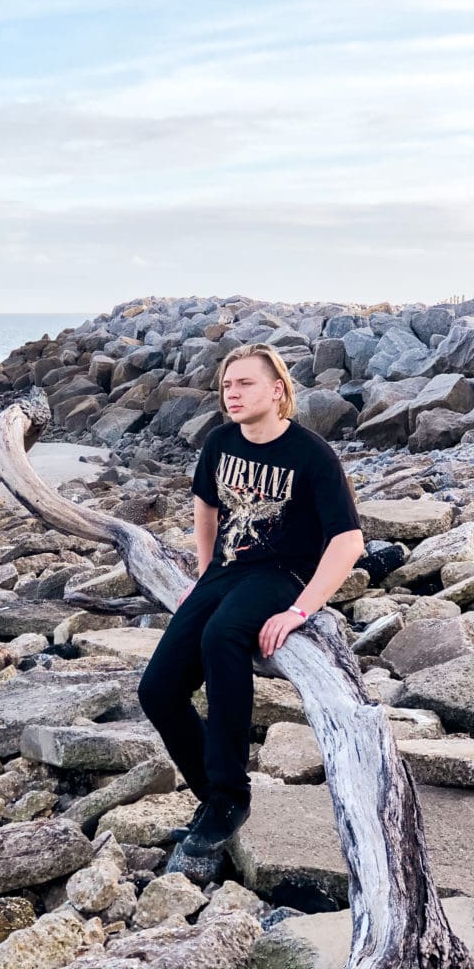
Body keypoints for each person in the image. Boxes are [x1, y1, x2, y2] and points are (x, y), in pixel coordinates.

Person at [137, 342, 364, 859]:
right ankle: (210, 799)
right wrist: (203, 566)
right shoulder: (219, 442)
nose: (232, 393)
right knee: (158, 691)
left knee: (225, 636)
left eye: (245, 383)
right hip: (226, 572)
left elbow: (349, 542)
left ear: (278, 389)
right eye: (226, 385)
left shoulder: (310, 455)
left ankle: (230, 796)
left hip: (282, 574)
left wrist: (299, 611)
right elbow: (205, 502)